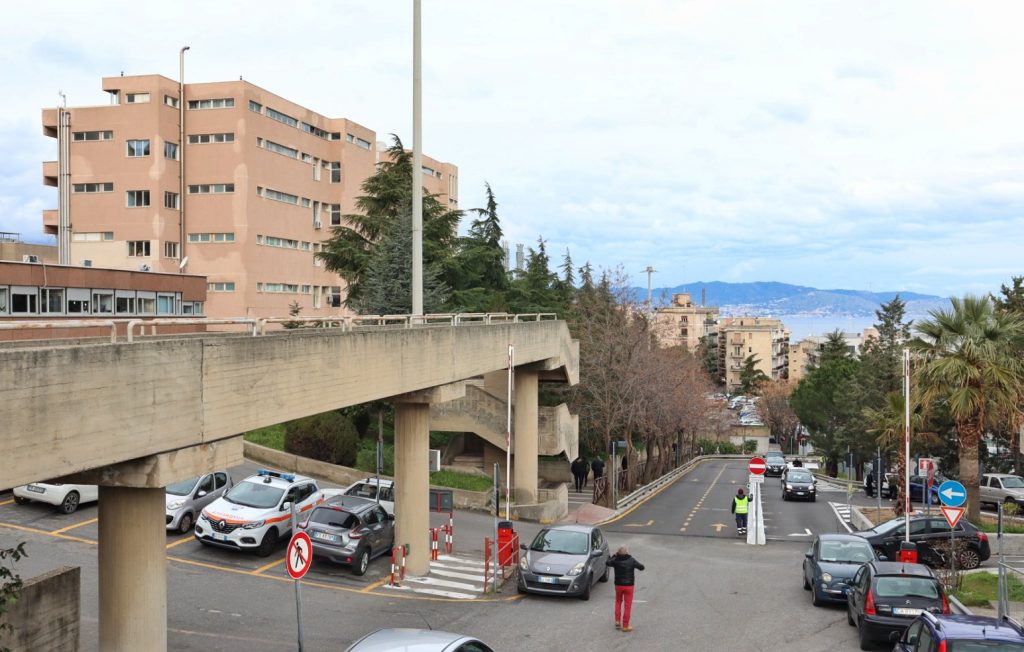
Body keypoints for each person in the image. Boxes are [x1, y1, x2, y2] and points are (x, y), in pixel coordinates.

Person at [606, 545, 644, 632]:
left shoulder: (615, 560)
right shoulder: (631, 560)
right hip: (629, 586)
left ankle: (617, 621)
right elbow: (642, 567)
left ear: (618, 552)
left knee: (618, 602)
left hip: (618, 585)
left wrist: (614, 556)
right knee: (628, 605)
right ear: (627, 552)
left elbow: (608, 562)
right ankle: (625, 625)